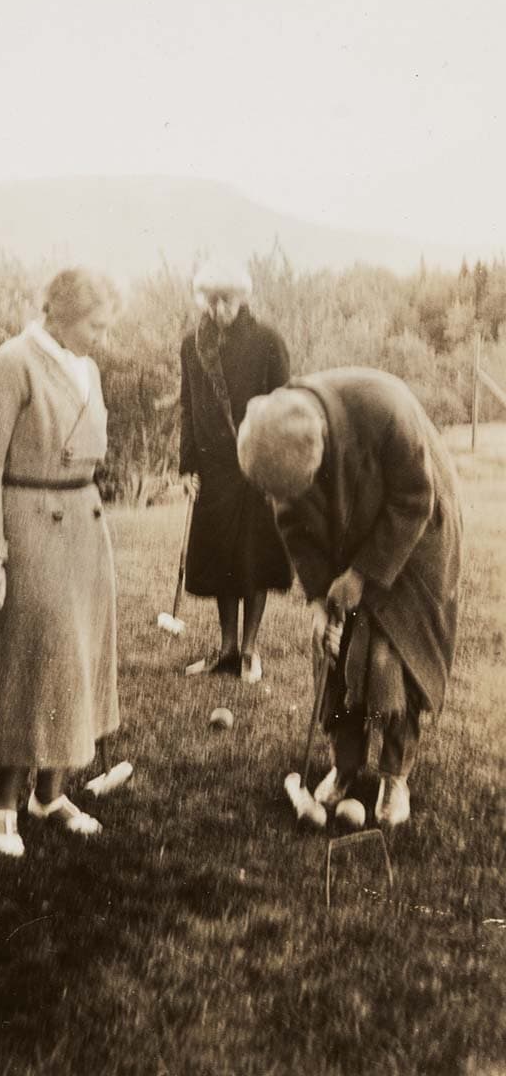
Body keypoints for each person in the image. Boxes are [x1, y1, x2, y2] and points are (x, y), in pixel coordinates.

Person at [237, 367, 463, 826]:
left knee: (389, 655)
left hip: (417, 530)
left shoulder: (384, 407)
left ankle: (394, 775)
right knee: (336, 648)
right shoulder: (277, 433)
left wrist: (361, 574)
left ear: (321, 445)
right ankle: (345, 764)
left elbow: (415, 499)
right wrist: (321, 599)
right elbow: (295, 527)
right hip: (346, 524)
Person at [0, 267, 128, 857]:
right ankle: (1, 804)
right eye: (94, 324)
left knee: (79, 658)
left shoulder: (87, 368)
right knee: (30, 660)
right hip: (30, 524)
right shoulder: (13, 361)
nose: (101, 338)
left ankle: (50, 793)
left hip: (84, 525)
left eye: (107, 327)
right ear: (57, 313)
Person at [179, 261, 294, 683]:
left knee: (254, 556)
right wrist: (187, 465)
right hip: (213, 468)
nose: (218, 307)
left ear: (242, 297)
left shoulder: (268, 341)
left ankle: (250, 650)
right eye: (211, 299)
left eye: (226, 298)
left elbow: (284, 406)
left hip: (257, 466)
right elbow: (188, 407)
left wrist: (276, 464)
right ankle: (226, 649)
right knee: (220, 557)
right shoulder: (192, 344)